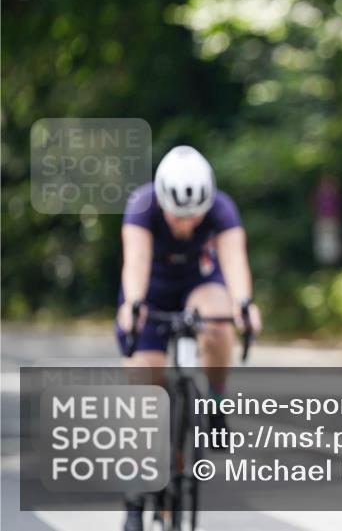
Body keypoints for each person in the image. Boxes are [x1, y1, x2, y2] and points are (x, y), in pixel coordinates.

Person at [114, 145, 262, 531]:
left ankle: (216, 399)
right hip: (153, 290)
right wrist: (132, 305)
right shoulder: (142, 206)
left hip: (200, 286)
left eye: (194, 215)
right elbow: (136, 264)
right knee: (144, 392)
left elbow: (234, 264)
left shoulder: (222, 208)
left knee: (218, 320)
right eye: (178, 216)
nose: (186, 225)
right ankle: (134, 501)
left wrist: (244, 304)